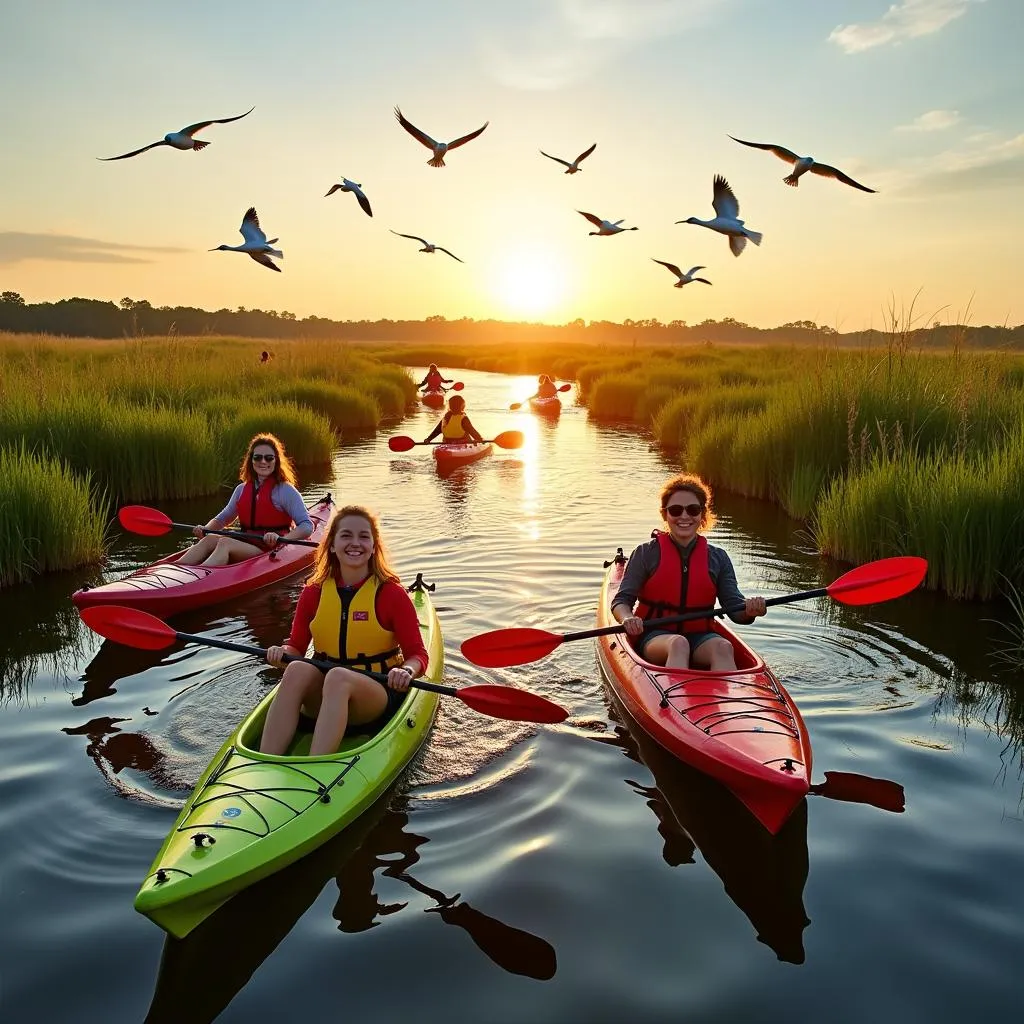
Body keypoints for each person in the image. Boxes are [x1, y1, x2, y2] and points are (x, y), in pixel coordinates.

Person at [260, 505, 429, 756]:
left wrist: (406, 670)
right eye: (346, 535)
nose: (355, 543)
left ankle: (316, 768)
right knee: (296, 668)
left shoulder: (391, 594)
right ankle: (266, 759)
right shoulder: (313, 592)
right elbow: (295, 646)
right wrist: (281, 652)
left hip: (374, 695)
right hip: (324, 695)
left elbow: (418, 655)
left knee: (339, 677)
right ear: (331, 544)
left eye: (364, 536)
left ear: (373, 546)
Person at [611, 473, 767, 670]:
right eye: (675, 510)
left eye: (693, 510)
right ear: (665, 515)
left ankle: (729, 699)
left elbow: (735, 609)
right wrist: (628, 618)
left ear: (702, 515)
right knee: (678, 644)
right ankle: (673, 699)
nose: (684, 516)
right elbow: (621, 601)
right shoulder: (645, 553)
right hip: (654, 636)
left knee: (724, 647)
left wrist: (750, 609)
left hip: (701, 637)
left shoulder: (718, 558)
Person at [177, 433, 313, 566]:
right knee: (209, 539)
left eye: (269, 458)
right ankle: (173, 569)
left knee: (225, 543)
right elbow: (223, 519)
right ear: (251, 460)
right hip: (247, 541)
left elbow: (307, 526)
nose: (263, 462)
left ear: (276, 460)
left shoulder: (285, 490)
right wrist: (205, 529)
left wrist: (281, 539)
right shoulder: (241, 489)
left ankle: (199, 581)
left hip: (269, 547)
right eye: (258, 457)